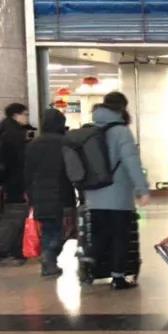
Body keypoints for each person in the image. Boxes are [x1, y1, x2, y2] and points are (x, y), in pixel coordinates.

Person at [84, 92, 150, 290]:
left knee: (99, 235)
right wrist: (142, 189)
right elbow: (132, 162)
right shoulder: (121, 132)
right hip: (118, 196)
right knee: (120, 237)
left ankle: (89, 264)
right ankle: (118, 277)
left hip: (94, 194)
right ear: (122, 107)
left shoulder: (91, 130)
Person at [24, 108, 75, 277]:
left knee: (48, 228)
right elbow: (71, 170)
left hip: (39, 193)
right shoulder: (65, 143)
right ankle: (49, 256)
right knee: (63, 230)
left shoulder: (33, 145)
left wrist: (30, 194)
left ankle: (49, 260)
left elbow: (27, 172)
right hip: (61, 192)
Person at [0, 102, 33, 265]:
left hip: (8, 183)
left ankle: (14, 251)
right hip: (15, 183)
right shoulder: (14, 135)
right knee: (14, 218)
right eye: (25, 114)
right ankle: (7, 251)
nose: (27, 117)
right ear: (16, 115)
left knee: (12, 217)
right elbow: (19, 163)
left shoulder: (5, 131)